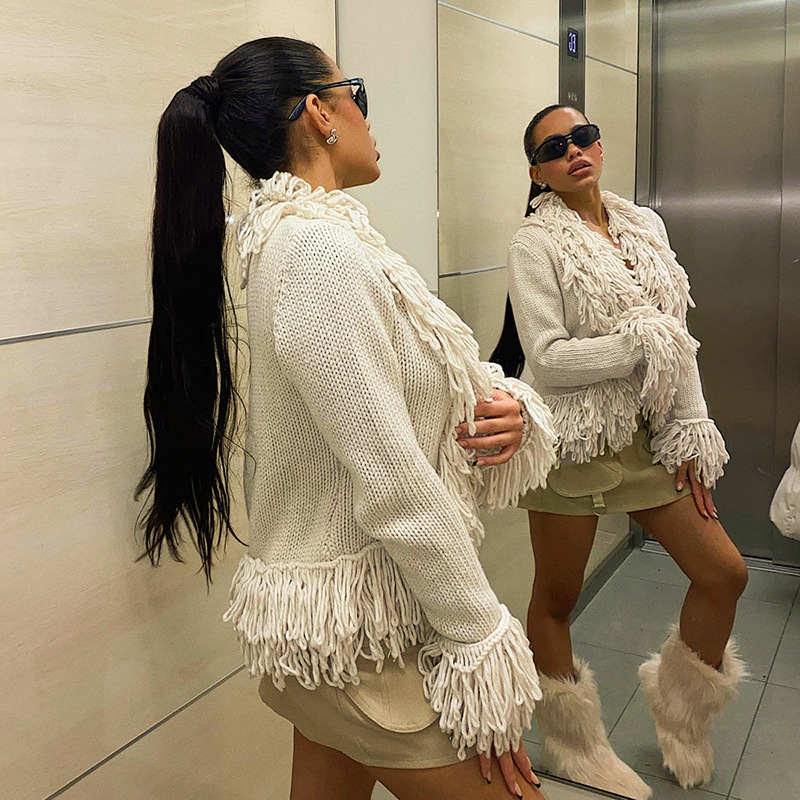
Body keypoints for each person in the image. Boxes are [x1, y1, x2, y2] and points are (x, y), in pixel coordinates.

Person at [135, 37, 560, 800]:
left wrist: (503, 408)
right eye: (354, 91)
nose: (367, 113)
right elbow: (392, 484)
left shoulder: (310, 240)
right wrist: (479, 635)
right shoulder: (315, 252)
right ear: (320, 113)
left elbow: (384, 403)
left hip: (331, 632)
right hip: (360, 643)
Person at [491, 104, 749, 798]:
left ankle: (681, 714)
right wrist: (641, 343)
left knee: (724, 573)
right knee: (556, 597)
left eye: (583, 137)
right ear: (537, 172)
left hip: (646, 440)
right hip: (569, 442)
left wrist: (692, 428)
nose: (574, 150)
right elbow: (547, 358)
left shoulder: (645, 225)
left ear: (599, 147)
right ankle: (573, 746)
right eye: (554, 147)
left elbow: (678, 337)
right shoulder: (534, 242)